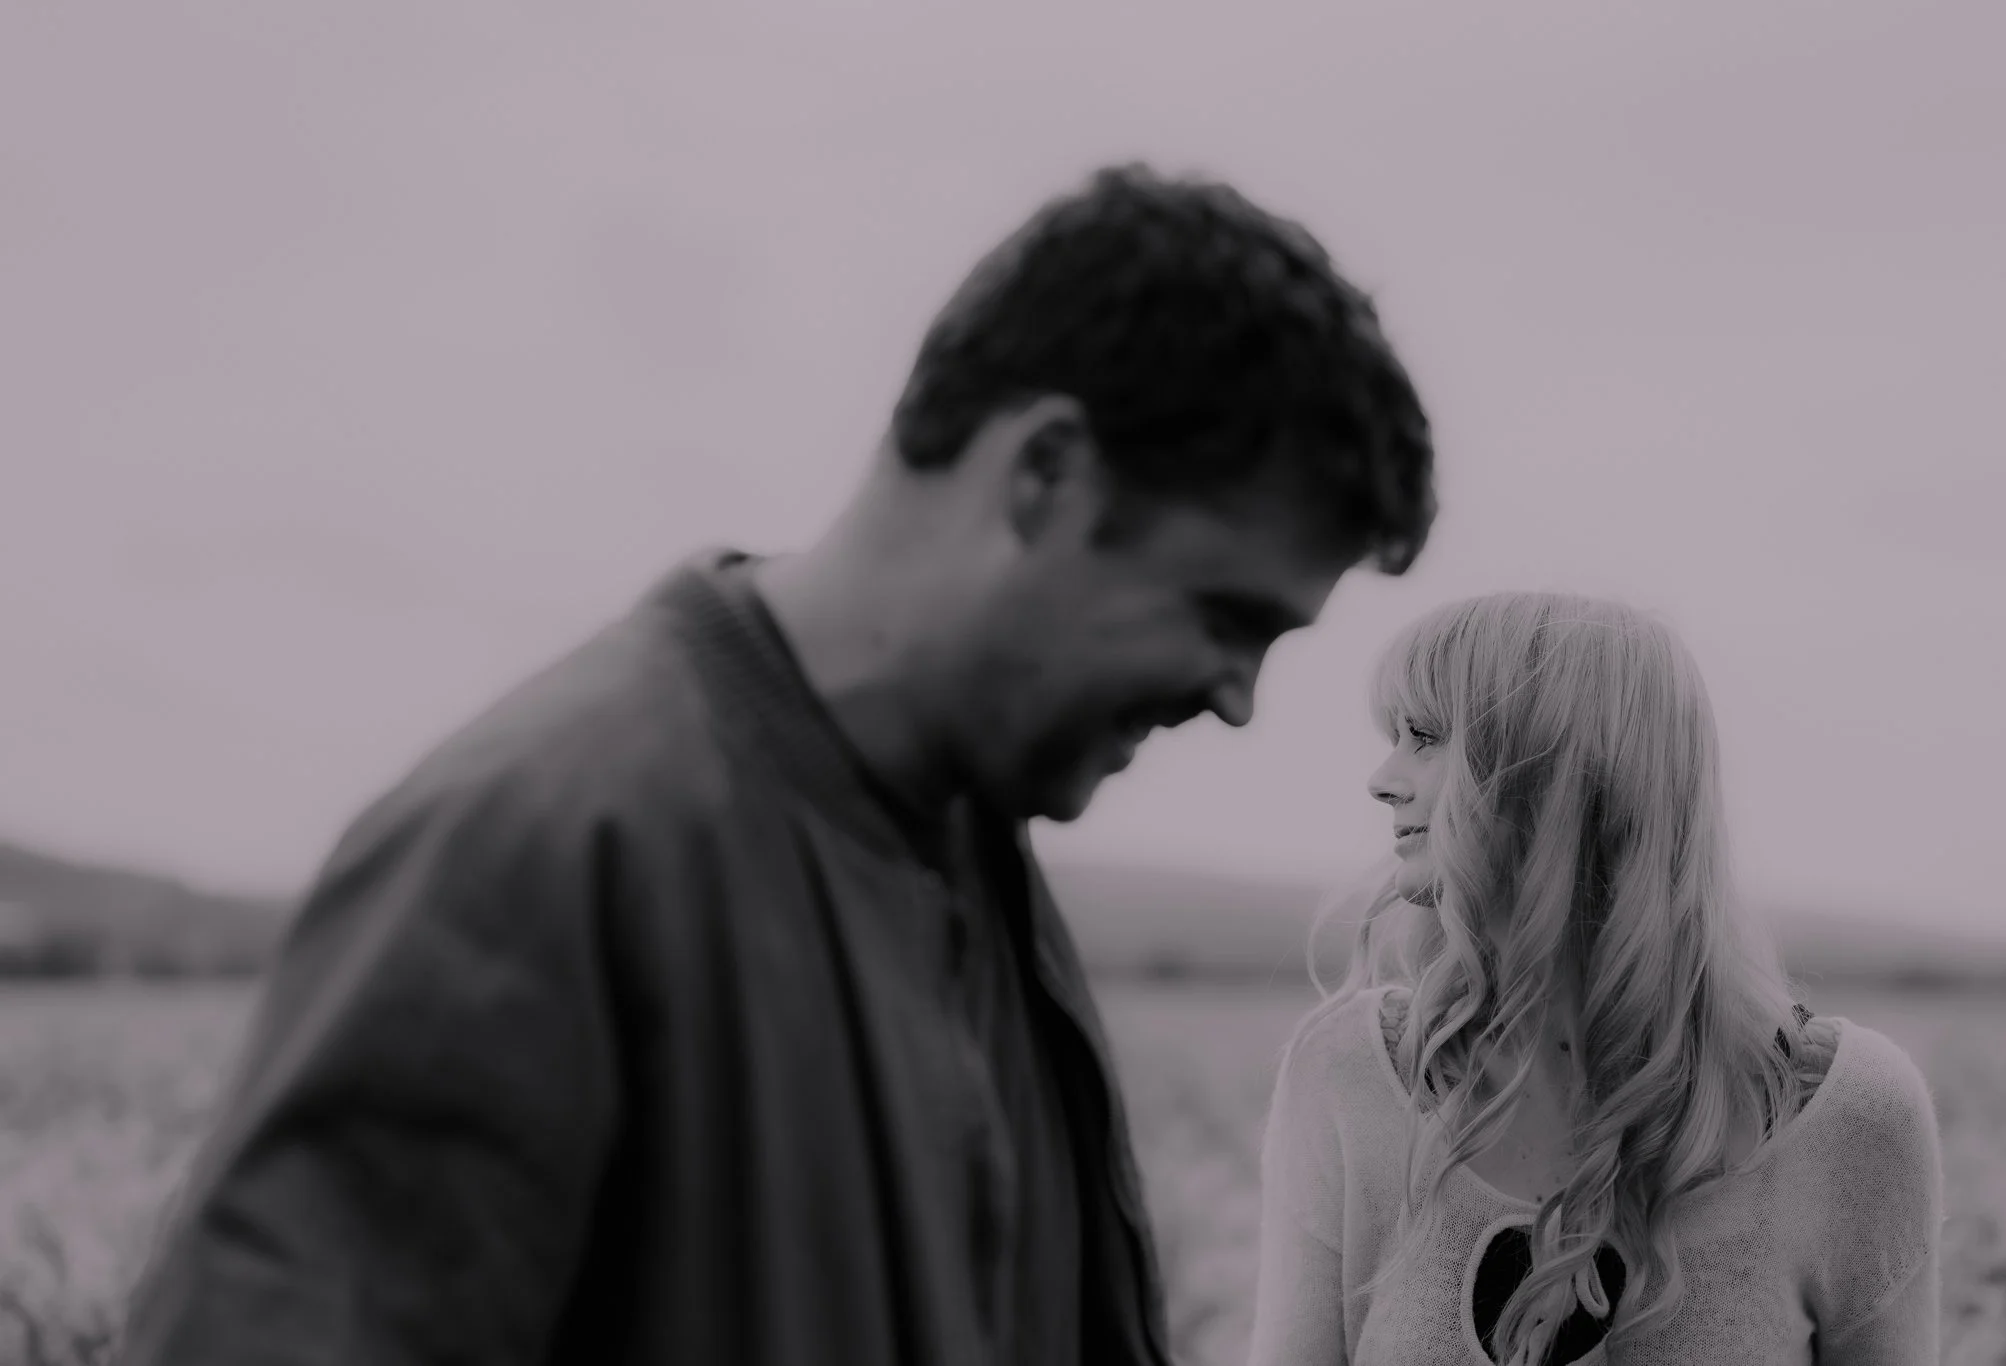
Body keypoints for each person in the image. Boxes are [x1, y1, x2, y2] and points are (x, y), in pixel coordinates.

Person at [114, 163, 1437, 1366]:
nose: (1238, 700)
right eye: (1225, 615)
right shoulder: (542, 848)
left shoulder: (980, 864)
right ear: (1044, 474)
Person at [1248, 593, 1943, 1365]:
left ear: (1557, 771)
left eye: (1426, 737)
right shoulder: (1351, 1076)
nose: (1382, 779)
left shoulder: (1850, 1120)